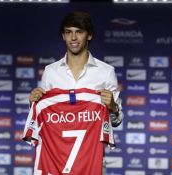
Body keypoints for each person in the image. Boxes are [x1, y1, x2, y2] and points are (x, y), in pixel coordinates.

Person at [24, 11, 123, 175]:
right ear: (63, 36)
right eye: (68, 32)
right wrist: (33, 104)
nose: (73, 38)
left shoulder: (106, 72)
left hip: (91, 163)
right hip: (55, 163)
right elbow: (44, 119)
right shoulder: (50, 71)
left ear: (89, 35)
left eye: (79, 32)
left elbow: (116, 121)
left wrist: (112, 107)